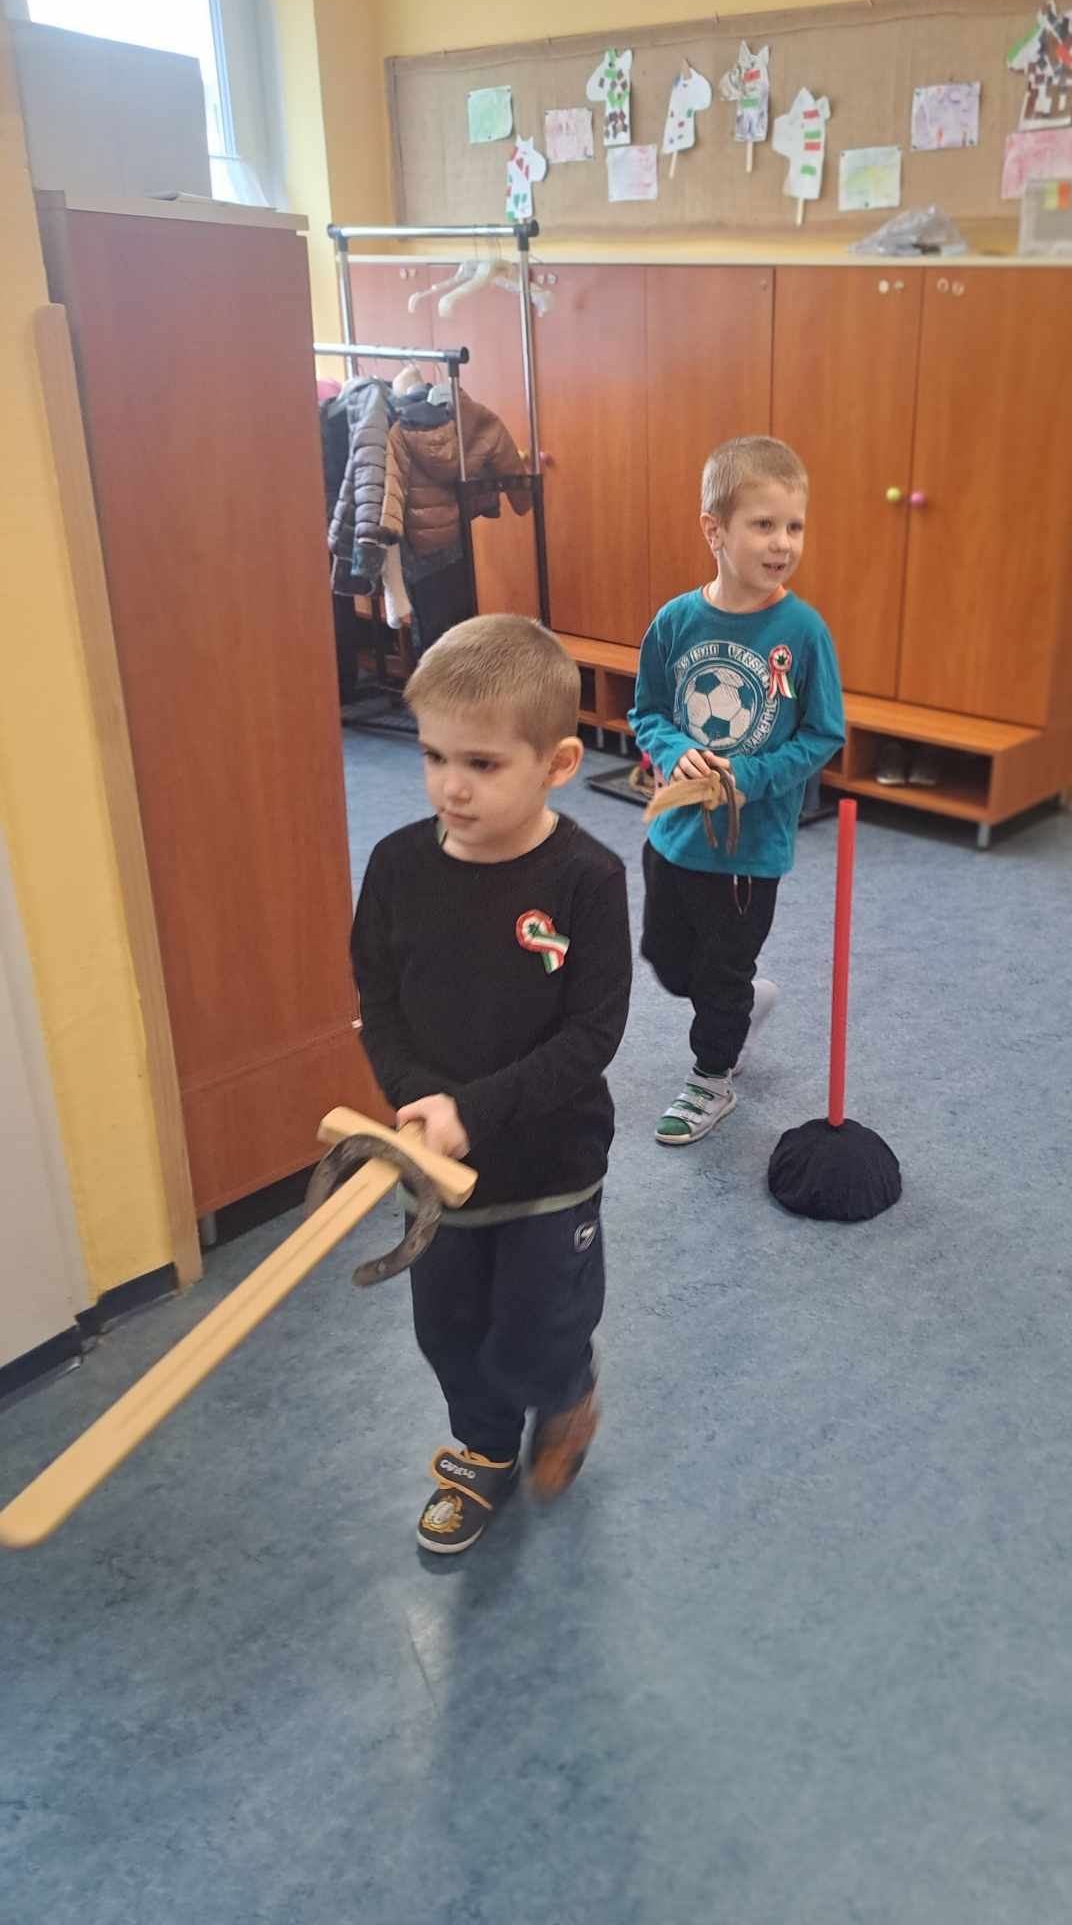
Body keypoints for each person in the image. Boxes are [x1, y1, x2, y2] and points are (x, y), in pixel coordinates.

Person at [351, 615, 631, 1553]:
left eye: (481, 763)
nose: (450, 787)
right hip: (434, 1168)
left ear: (557, 764)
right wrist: (418, 1101)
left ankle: (566, 1395)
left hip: (551, 1163)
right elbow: (378, 1004)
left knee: (539, 1330)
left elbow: (592, 1036)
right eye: (434, 756)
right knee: (450, 1329)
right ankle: (482, 1452)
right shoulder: (397, 868)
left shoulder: (587, 879)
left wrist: (474, 1111)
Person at [630, 436, 845, 1146]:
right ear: (714, 529)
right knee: (669, 962)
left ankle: (712, 1077)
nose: (783, 542)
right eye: (764, 524)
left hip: (747, 852)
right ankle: (741, 1003)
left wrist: (749, 778)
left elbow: (823, 734)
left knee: (721, 973)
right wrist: (674, 750)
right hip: (672, 835)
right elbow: (647, 711)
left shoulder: (803, 633)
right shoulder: (676, 622)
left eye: (795, 526)